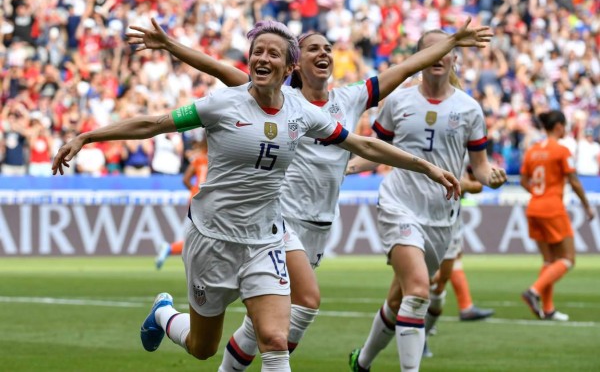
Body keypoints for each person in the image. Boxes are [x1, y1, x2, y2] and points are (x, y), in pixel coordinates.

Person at [53, 20, 461, 372]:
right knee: (201, 347)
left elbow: (363, 145)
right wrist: (89, 136)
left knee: (275, 340)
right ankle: (163, 314)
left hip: (266, 239)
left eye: (272, 54)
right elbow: (154, 123)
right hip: (213, 239)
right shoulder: (223, 104)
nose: (262, 59)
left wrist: (426, 166)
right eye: (257, 52)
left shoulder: (303, 113)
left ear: (288, 67)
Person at [345, 27, 508, 372]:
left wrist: (490, 176)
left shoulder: (469, 109)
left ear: (454, 58)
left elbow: (479, 168)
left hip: (441, 217)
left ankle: (361, 363)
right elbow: (376, 152)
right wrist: (344, 168)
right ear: (420, 60)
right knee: (419, 292)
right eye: (429, 52)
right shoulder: (399, 102)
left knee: (398, 299)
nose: (437, 57)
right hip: (399, 203)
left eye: (443, 51)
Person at [520, 110, 594, 321]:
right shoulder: (561, 150)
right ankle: (533, 291)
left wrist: (537, 194)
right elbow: (574, 181)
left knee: (549, 260)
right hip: (553, 209)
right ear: (559, 126)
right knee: (568, 259)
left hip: (533, 208)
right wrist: (587, 206)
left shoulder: (532, 150)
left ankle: (549, 309)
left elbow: (525, 181)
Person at [423, 167, 494, 358]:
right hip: (421, 219)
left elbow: (476, 182)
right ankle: (414, 332)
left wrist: (484, 180)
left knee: (439, 285)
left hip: (452, 223)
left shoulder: (463, 148)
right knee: (422, 280)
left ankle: (423, 332)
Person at [155, 138, 208, 270]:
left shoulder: (199, 158)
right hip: (207, 200)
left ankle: (171, 248)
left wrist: (194, 190)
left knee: (202, 236)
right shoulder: (217, 158)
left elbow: (185, 179)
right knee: (206, 236)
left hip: (196, 198)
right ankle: (171, 248)